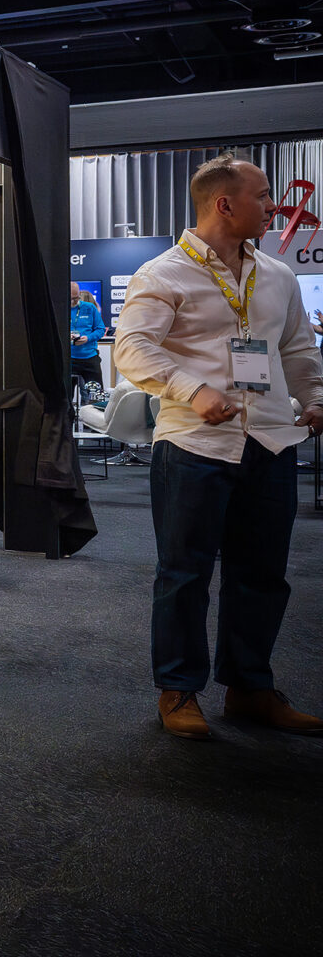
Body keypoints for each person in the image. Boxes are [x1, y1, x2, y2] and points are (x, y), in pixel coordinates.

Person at [113, 155, 323, 739]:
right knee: (184, 574)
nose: (273, 206)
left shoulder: (277, 275)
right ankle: (178, 691)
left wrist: (316, 398)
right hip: (195, 444)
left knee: (262, 575)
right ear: (223, 204)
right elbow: (131, 349)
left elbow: (298, 350)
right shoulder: (163, 274)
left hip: (272, 441)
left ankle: (250, 689)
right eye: (262, 196)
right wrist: (192, 388)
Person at [69, 282, 105, 396]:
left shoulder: (90, 308)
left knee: (95, 396)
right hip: (68, 359)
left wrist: (88, 338)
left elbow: (100, 329)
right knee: (64, 399)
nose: (73, 302)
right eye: (70, 299)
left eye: (76, 298)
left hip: (89, 358)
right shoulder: (59, 309)